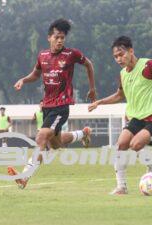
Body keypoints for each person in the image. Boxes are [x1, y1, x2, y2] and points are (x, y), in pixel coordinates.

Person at [88, 36, 152, 195]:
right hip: (137, 119)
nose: (119, 59)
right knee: (121, 144)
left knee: (135, 144)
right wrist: (100, 102)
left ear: (131, 51)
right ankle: (122, 187)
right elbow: (120, 95)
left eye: (121, 54)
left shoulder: (149, 65)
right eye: (115, 56)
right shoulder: (122, 74)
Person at [8, 18, 96, 189]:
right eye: (57, 37)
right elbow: (35, 74)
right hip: (47, 106)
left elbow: (89, 65)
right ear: (49, 38)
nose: (60, 40)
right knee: (56, 144)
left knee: (41, 137)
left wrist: (92, 88)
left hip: (61, 106)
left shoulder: (71, 55)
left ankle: (25, 176)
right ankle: (83, 133)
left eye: (62, 37)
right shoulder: (43, 55)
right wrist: (23, 80)